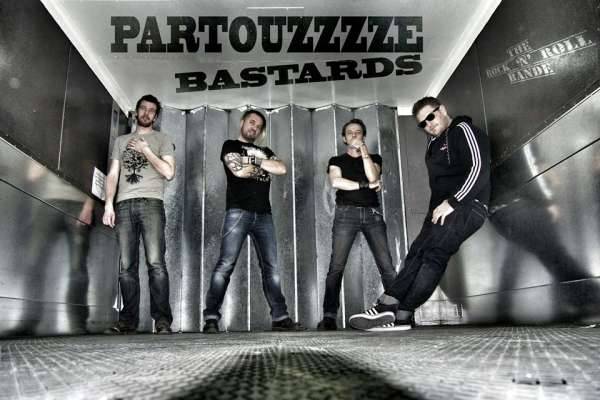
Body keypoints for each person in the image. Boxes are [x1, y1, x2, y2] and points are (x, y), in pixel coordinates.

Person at [349, 96, 490, 330]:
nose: (428, 125)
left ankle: (388, 306)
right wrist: (438, 210)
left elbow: (479, 168)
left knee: (434, 255)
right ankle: (402, 316)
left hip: (466, 205)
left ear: (442, 109)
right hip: (441, 210)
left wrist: (454, 202)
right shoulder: (433, 143)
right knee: (416, 254)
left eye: (431, 117)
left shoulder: (463, 129)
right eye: (423, 123)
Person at [202, 109, 304, 333]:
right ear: (242, 123)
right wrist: (262, 163)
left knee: (271, 268)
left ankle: (280, 318)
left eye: (258, 126)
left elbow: (281, 168)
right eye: (251, 122)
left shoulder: (266, 150)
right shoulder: (230, 145)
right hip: (238, 212)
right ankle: (211, 318)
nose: (254, 128)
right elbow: (237, 170)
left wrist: (252, 161)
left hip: (264, 215)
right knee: (225, 265)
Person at [102, 94, 175, 334]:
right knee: (126, 267)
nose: (146, 113)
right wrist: (108, 204)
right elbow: (113, 174)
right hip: (123, 205)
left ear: (156, 116)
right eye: (143, 108)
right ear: (136, 112)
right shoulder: (121, 141)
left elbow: (169, 172)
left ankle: (162, 321)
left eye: (151, 110)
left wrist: (146, 150)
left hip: (151, 203)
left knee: (156, 263)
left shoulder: (163, 139)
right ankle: (128, 322)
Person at [317, 119, 399, 331]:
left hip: (372, 214)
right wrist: (366, 185)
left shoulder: (374, 158)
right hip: (346, 214)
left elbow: (374, 175)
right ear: (344, 138)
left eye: (358, 132)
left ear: (363, 136)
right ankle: (329, 317)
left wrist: (363, 152)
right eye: (350, 133)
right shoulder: (336, 160)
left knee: (387, 266)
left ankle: (400, 313)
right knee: (336, 267)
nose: (354, 135)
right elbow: (336, 182)